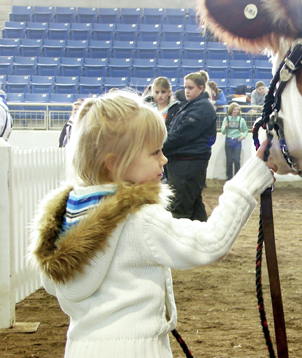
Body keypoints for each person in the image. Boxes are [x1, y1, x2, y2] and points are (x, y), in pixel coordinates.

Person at [28, 91, 276, 358]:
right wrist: (249, 179)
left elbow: (53, 286)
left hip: (79, 347)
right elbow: (210, 241)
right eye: (155, 152)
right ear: (114, 164)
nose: (164, 159)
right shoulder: (139, 221)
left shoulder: (65, 218)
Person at [162, 71, 216, 221]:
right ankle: (205, 240)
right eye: (185, 87)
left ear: (201, 88)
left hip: (187, 163)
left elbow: (182, 135)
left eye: (190, 88)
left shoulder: (202, 108)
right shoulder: (194, 106)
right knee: (193, 206)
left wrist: (160, 146)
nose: (186, 91)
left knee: (180, 209)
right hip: (186, 163)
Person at [221, 102, 248, 180]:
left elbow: (246, 130)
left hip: (237, 141)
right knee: (229, 161)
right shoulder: (226, 119)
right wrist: (225, 127)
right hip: (228, 140)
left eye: (237, 110)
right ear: (231, 110)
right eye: (234, 109)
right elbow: (223, 132)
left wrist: (242, 136)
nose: (236, 111)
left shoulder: (241, 120)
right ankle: (229, 177)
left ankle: (237, 177)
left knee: (236, 160)